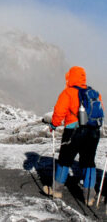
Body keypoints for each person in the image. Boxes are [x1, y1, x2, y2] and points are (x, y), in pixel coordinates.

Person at [48, 66, 104, 205]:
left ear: (70, 77)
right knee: (89, 162)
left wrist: (54, 125)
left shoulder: (68, 92)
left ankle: (57, 190)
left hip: (73, 131)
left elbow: (59, 111)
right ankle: (89, 196)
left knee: (65, 159)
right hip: (93, 132)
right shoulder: (94, 93)